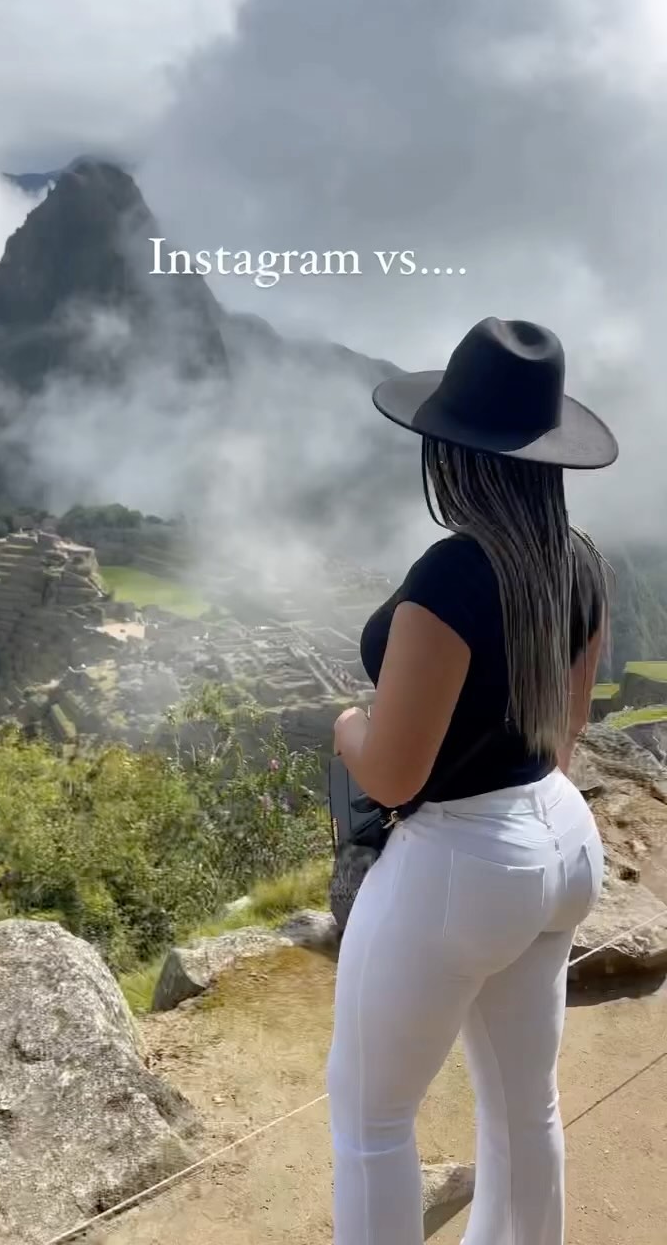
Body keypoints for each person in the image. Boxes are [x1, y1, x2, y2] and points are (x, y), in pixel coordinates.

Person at [327, 316, 618, 1245]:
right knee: (526, 1105)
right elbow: (564, 734)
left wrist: (345, 728)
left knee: (371, 1123)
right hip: (561, 839)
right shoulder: (579, 564)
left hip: (459, 864)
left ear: (451, 453)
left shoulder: (452, 577)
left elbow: (393, 773)